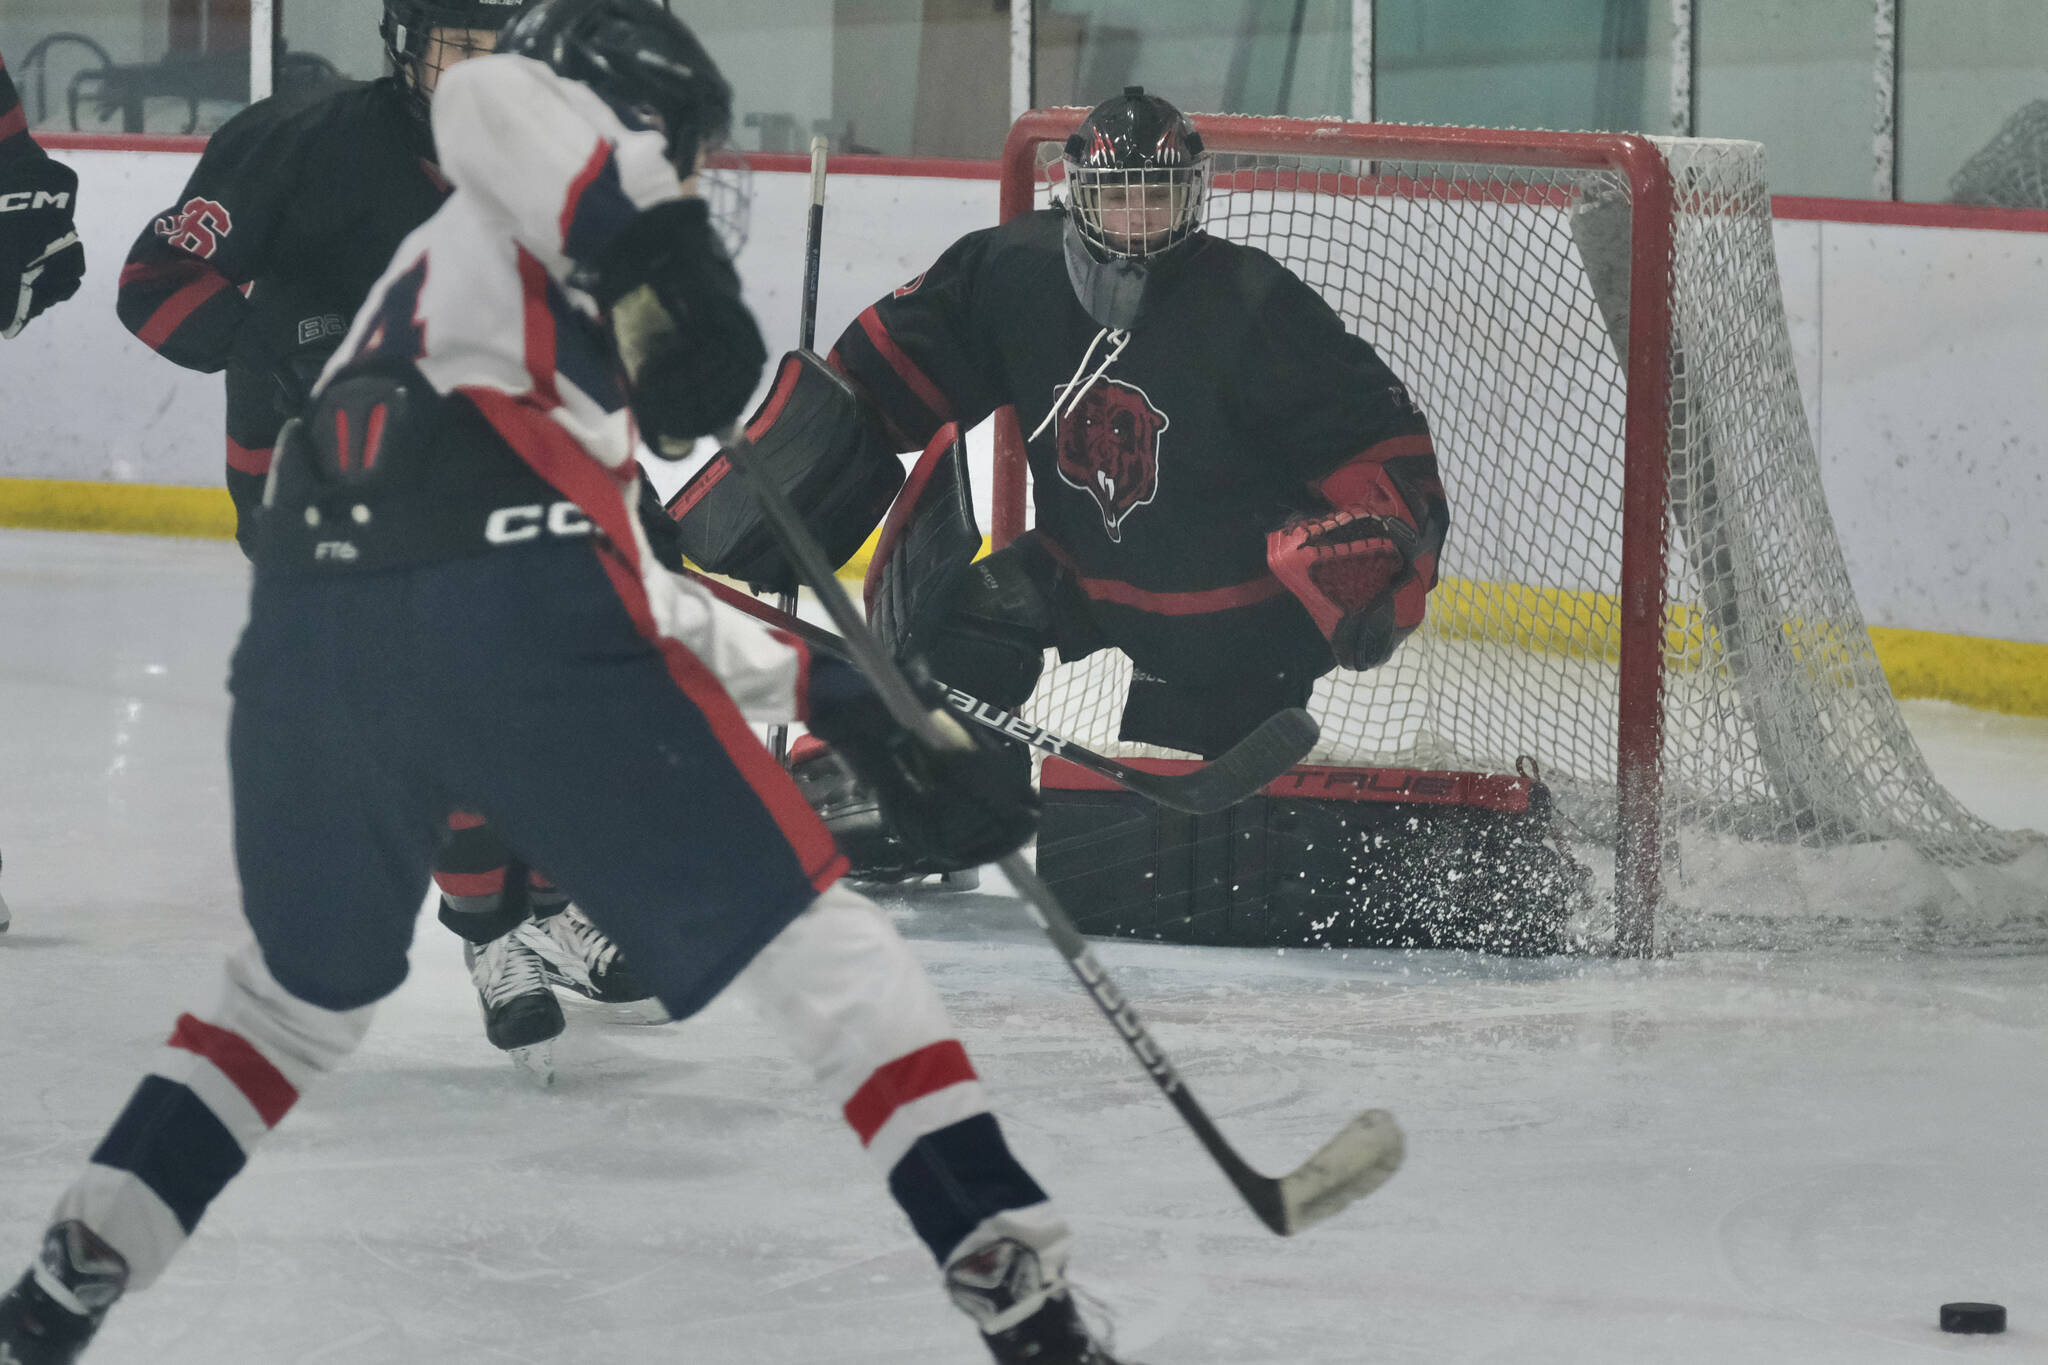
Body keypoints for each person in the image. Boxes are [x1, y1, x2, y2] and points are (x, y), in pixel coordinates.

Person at [0, 4, 1131, 1363]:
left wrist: (841, 698)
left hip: (321, 660)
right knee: (832, 962)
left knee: (290, 1002)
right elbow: (587, 608)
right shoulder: (502, 249)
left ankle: (73, 1272)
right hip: (456, 640)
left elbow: (585, 572)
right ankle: (1016, 1286)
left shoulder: (476, 277)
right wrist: (855, 706)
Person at [685, 86, 1450, 878]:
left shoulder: (1254, 304)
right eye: (1118, 196)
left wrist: (1371, 545)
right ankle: (931, 806)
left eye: (1157, 195)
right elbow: (891, 374)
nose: (1139, 219)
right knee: (959, 622)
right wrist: (801, 465)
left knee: (1177, 856)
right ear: (1077, 194)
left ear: (1194, 195)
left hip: (1228, 606)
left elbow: (1374, 439)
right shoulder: (1014, 270)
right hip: (1078, 566)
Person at [112, 0, 656, 1073]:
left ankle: (544, 910)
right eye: (460, 47)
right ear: (403, 49)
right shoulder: (294, 143)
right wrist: (272, 353)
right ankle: (494, 939)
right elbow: (154, 284)